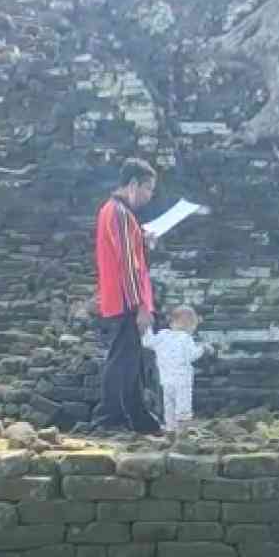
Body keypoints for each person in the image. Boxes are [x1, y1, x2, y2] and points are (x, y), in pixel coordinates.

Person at [93, 158, 162, 434]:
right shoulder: (120, 214)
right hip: (126, 299)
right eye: (147, 189)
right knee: (121, 359)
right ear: (133, 184)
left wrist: (142, 241)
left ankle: (138, 418)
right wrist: (140, 307)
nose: (148, 196)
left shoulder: (115, 212)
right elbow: (129, 266)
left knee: (128, 358)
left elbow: (130, 252)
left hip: (121, 298)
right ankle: (111, 417)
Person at [143, 304, 207, 431]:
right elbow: (192, 356)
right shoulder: (186, 338)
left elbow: (147, 342)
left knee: (169, 405)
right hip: (182, 379)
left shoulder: (162, 335)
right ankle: (183, 431)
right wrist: (203, 348)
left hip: (166, 379)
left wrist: (147, 328)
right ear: (192, 325)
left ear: (171, 323)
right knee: (183, 405)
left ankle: (170, 429)